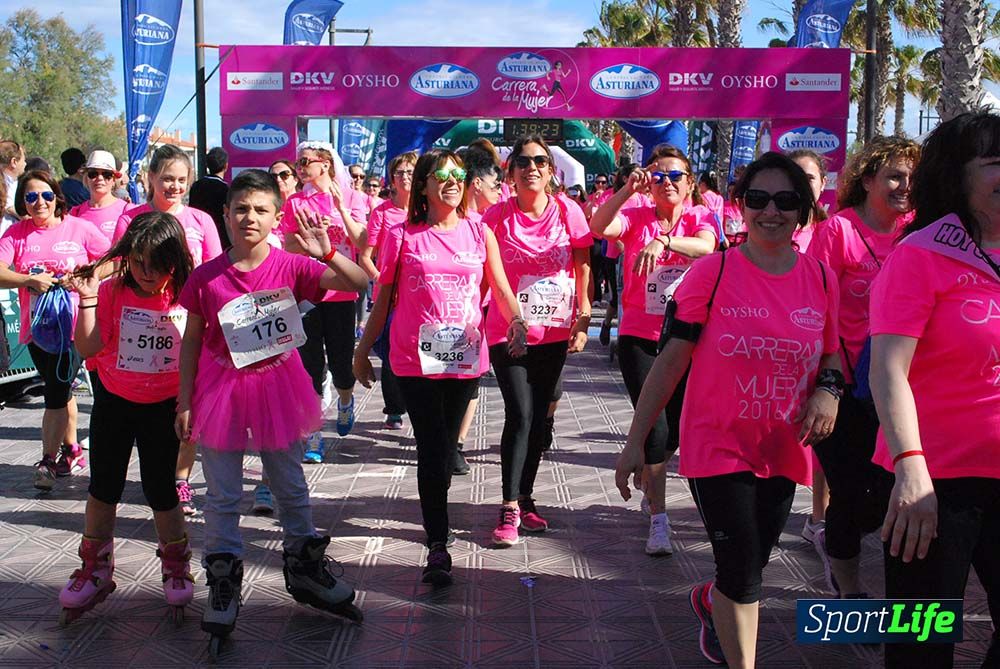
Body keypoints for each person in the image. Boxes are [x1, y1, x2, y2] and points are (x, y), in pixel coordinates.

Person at [616, 152, 841, 667]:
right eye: (758, 199)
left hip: (783, 446)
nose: (771, 211)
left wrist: (828, 391)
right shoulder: (711, 274)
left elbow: (831, 352)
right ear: (741, 205)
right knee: (742, 574)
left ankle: (708, 599)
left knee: (749, 567)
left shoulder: (822, 279)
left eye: (785, 201)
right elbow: (669, 363)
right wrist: (635, 442)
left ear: (803, 209)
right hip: (717, 444)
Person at [176, 169, 368, 642]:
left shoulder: (291, 266)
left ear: (276, 218)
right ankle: (223, 580)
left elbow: (360, 281)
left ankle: (304, 566)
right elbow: (192, 340)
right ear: (225, 215)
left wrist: (327, 251)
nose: (250, 217)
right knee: (222, 493)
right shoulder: (205, 276)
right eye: (241, 208)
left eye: (261, 210)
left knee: (289, 483)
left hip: (278, 384)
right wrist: (184, 399)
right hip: (220, 386)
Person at [353, 149, 528, 585]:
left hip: (464, 357)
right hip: (414, 359)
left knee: (447, 448)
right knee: (431, 447)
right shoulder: (402, 234)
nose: (451, 182)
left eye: (458, 175)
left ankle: (437, 518)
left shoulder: (479, 231)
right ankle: (437, 543)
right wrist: (361, 350)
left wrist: (517, 321)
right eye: (441, 175)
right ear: (424, 184)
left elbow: (500, 287)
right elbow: (383, 299)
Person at [869, 111, 1000, 668]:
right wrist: (911, 468)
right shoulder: (921, 254)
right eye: (995, 162)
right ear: (956, 174)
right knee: (921, 641)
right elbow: (887, 370)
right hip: (933, 480)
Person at [59, 211, 195, 625]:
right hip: (115, 401)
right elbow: (87, 348)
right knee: (103, 488)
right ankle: (95, 568)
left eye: (159, 263)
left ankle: (176, 565)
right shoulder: (112, 290)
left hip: (164, 405)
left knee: (161, 490)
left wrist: (189, 403)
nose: (148, 272)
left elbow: (200, 351)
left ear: (176, 260)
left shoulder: (188, 293)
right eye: (139, 262)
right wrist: (87, 300)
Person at [806, 135, 920, 599]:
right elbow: (815, 307)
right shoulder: (839, 231)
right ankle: (849, 588)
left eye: (911, 178)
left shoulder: (920, 229)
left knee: (888, 493)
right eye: (894, 176)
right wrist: (829, 382)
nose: (904, 186)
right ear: (868, 179)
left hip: (902, 388)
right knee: (852, 497)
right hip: (845, 387)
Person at [591, 145, 717, 555]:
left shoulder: (699, 217)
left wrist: (664, 241)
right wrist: (627, 190)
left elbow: (707, 247)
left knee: (677, 428)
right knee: (656, 426)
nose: (667, 183)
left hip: (686, 338)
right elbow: (599, 226)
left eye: (675, 176)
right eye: (659, 176)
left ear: (690, 183)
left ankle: (651, 472)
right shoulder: (636, 216)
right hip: (639, 336)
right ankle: (659, 519)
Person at [482, 135, 592, 547]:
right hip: (507, 329)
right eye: (524, 162)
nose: (532, 168)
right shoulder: (496, 216)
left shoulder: (568, 211)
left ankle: (525, 496)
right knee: (521, 413)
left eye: (540, 161)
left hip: (554, 329)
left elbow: (583, 265)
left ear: (551, 171)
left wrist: (584, 316)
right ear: (510, 172)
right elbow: (485, 272)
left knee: (539, 417)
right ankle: (509, 506)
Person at [114, 144, 225, 516]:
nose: (174, 187)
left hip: (188, 324)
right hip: (139, 329)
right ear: (151, 178)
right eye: (166, 179)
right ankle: (153, 476)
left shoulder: (201, 220)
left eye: (181, 180)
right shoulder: (131, 218)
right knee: (150, 409)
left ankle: (180, 479)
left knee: (187, 402)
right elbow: (118, 270)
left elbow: (214, 272)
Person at [0, 171, 111, 490]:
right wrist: (28, 280)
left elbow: (114, 260)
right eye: (31, 197)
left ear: (57, 197)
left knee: (56, 391)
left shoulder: (79, 228)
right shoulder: (17, 234)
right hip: (36, 330)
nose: (40, 202)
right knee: (58, 387)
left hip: (74, 327)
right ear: (23, 201)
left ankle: (48, 461)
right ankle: (72, 450)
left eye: (46, 195)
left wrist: (85, 275)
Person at [280, 141, 367, 461]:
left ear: (325, 164)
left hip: (341, 291)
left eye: (305, 162)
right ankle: (313, 435)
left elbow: (363, 242)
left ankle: (345, 399)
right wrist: (311, 241)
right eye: (298, 163)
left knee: (342, 365)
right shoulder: (294, 202)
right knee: (310, 366)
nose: (299, 168)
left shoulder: (352, 197)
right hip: (307, 293)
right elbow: (288, 245)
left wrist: (341, 211)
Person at [785, 148, 832, 542]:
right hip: (781, 350)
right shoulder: (776, 224)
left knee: (824, 439)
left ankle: (819, 517)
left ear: (823, 184)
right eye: (795, 177)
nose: (802, 185)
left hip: (827, 345)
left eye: (810, 177)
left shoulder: (835, 229)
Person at [359, 151, 417, 432]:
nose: (405, 177)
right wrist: (382, 280)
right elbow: (365, 256)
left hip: (421, 295)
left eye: (410, 172)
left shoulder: (428, 210)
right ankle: (394, 408)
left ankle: (419, 403)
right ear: (392, 179)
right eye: (399, 172)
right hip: (390, 296)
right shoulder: (382, 212)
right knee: (392, 352)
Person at [69, 151, 128, 241]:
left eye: (106, 174)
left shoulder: (128, 211)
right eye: (93, 174)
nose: (100, 178)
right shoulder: (75, 213)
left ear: (114, 180)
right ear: (86, 178)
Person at [188, 147, 230, 248]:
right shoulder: (226, 189)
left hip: (198, 236)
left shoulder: (196, 186)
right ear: (226, 166)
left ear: (207, 165)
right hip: (221, 239)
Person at [1, 140, 25, 229]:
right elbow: (8, 206)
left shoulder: (14, 182)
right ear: (14, 162)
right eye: (23, 160)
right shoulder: (4, 182)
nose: (25, 164)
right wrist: (30, 218)